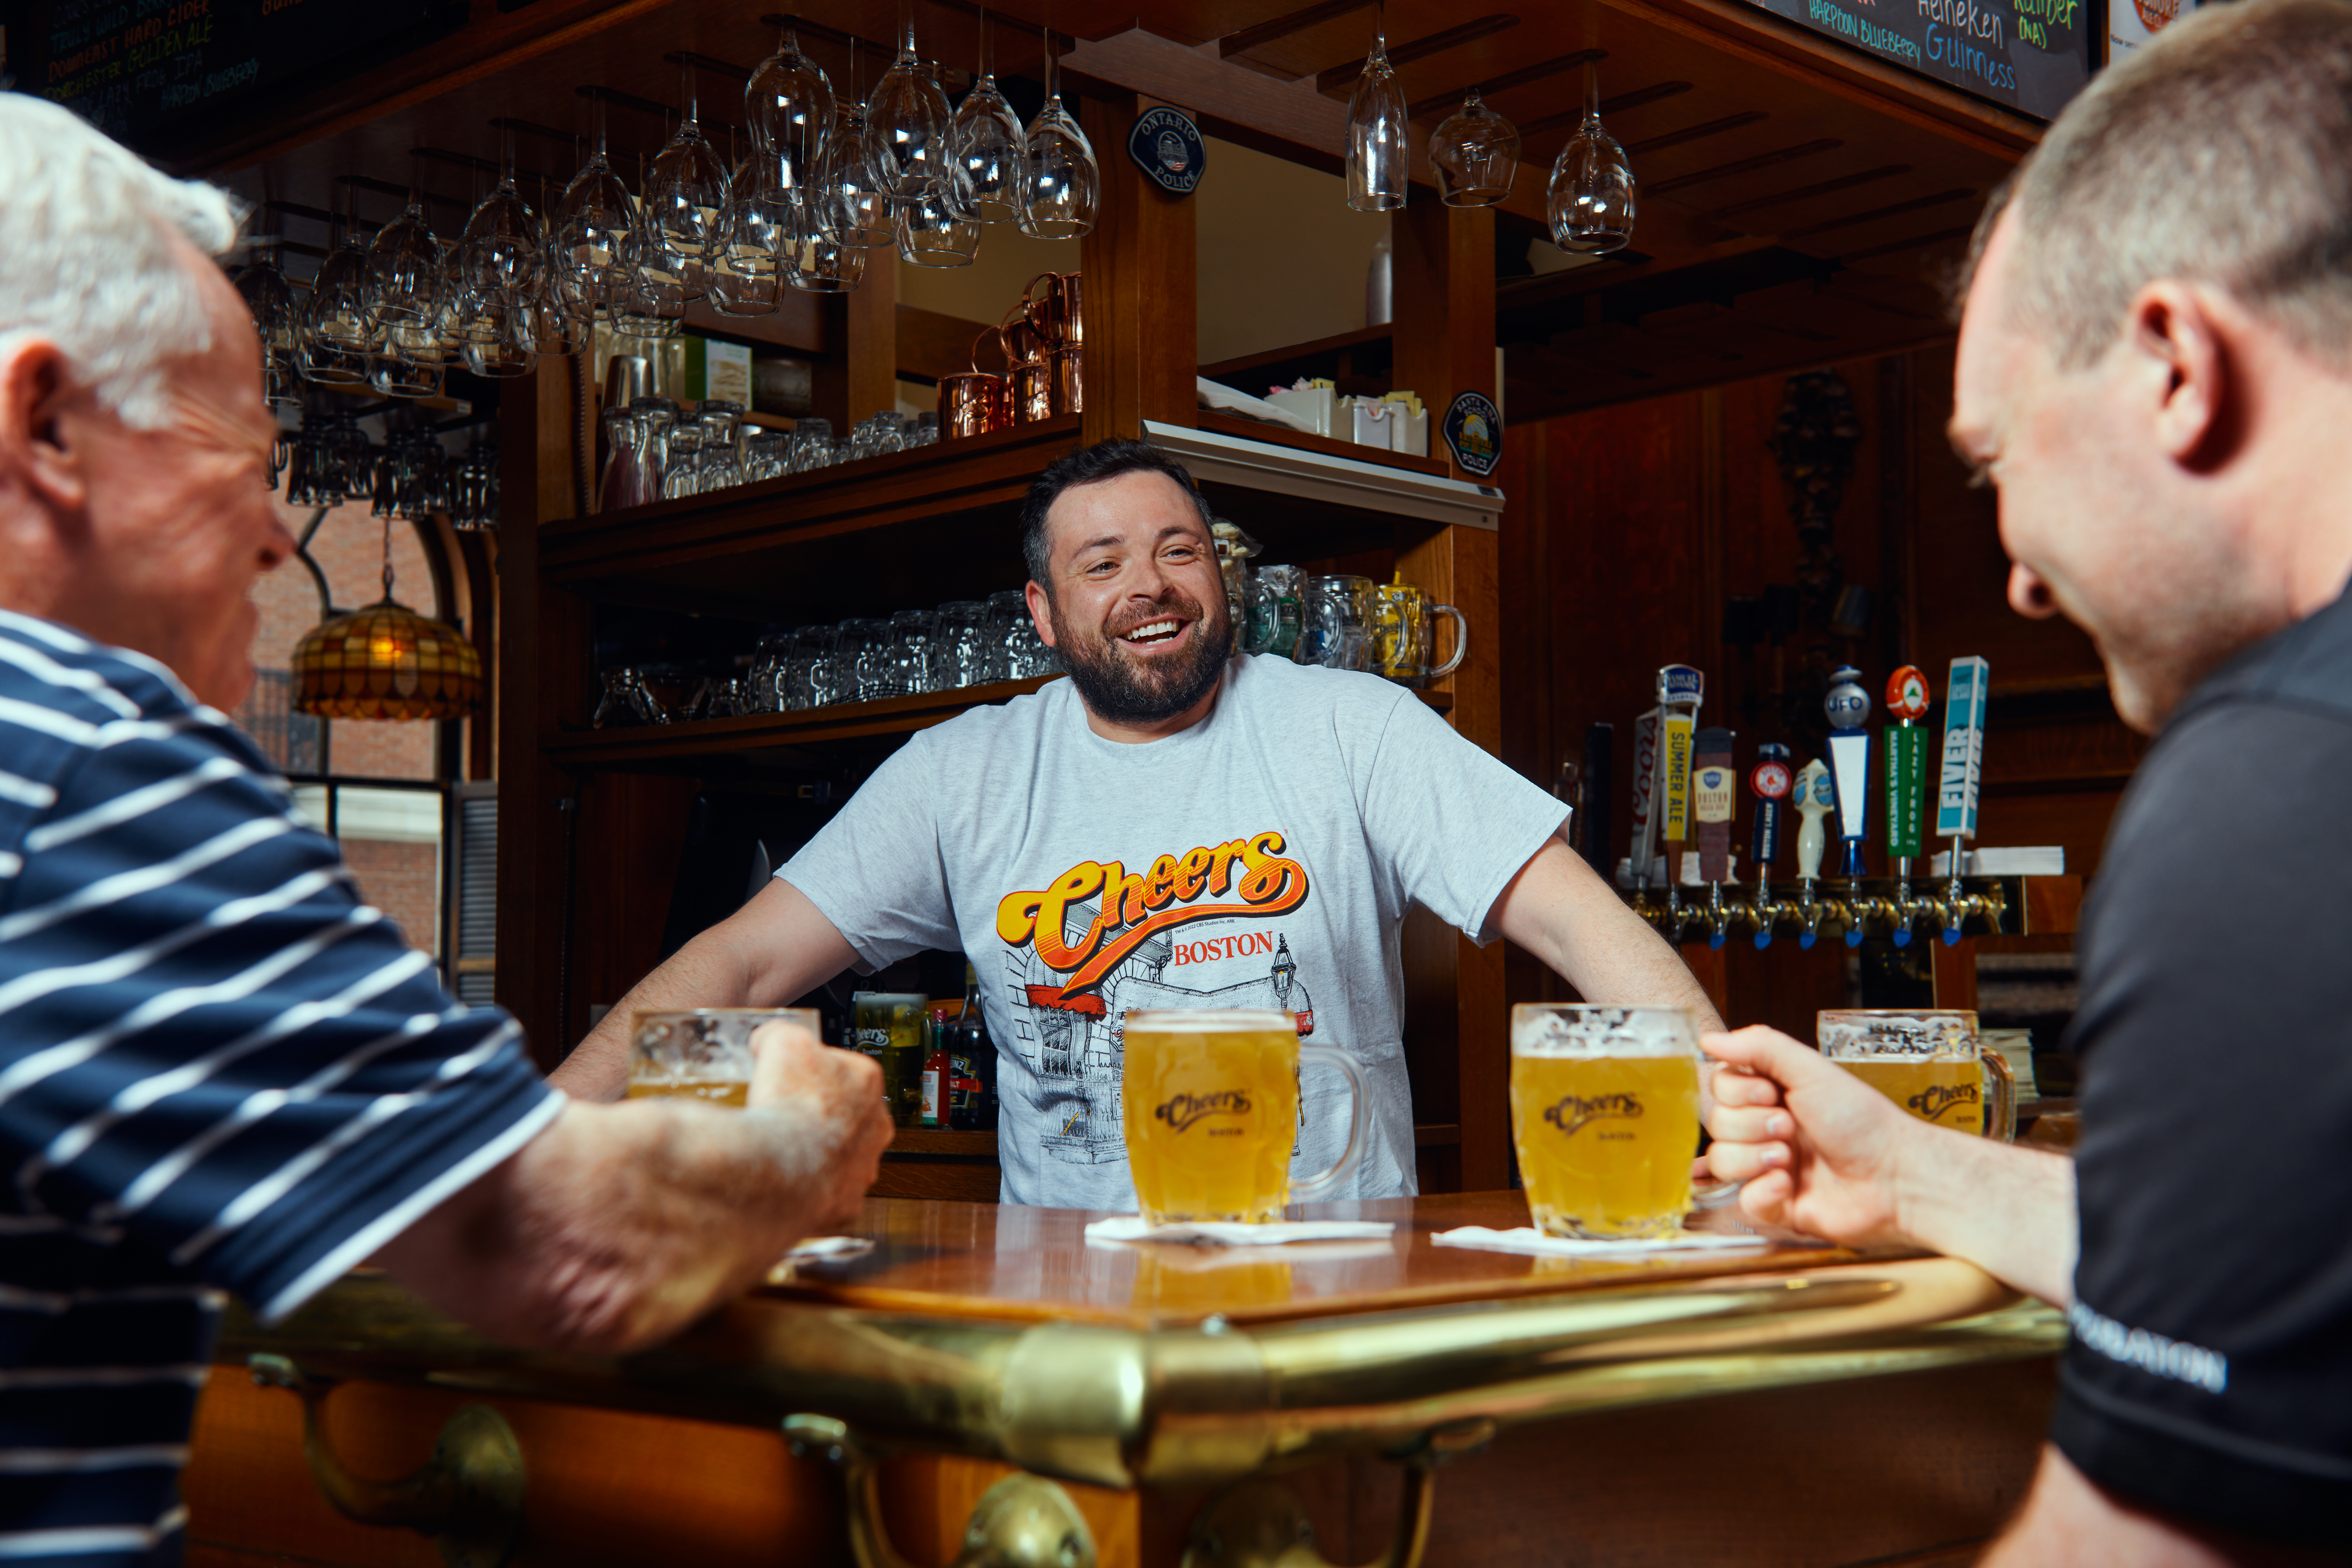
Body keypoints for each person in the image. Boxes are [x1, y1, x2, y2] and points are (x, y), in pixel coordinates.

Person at [0, 95, 892, 1563]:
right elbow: (564, 1249)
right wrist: (804, 1128)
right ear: (43, 423)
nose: (278, 537)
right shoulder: (79, 754)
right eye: (243, 462)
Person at [1700, 1, 2352, 1559]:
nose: (2015, 578)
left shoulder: (2276, 788)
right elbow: (2284, 1287)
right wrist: (1917, 1169)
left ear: (2176, 366)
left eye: (1997, 467)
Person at [555, 438, 1721, 1208]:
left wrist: (1736, 1123)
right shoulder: (965, 771)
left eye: (1179, 550)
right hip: (1069, 1315)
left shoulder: (1349, 724)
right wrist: (535, 1137)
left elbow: (1576, 922)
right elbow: (745, 962)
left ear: (1220, 576)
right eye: (1101, 561)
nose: (1149, 584)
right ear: (1045, 614)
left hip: (1329, 1294)